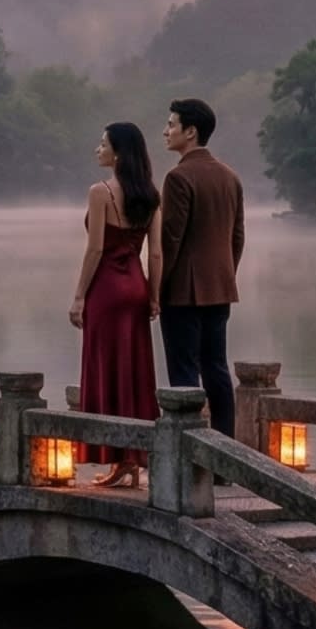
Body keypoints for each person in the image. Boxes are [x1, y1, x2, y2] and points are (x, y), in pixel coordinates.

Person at [70, 122, 161, 487]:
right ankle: (131, 461)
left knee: (106, 369)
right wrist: (154, 296)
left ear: (119, 152)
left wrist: (79, 296)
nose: (98, 149)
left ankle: (116, 455)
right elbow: (155, 252)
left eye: (103, 143)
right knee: (134, 373)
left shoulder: (101, 192)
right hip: (136, 288)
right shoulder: (151, 195)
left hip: (107, 290)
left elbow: (95, 249)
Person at [158, 98, 246, 437]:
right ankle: (224, 450)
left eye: (171, 124)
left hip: (183, 292)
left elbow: (171, 241)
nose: (165, 131)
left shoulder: (179, 177)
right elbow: (237, 237)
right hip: (220, 288)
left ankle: (189, 452)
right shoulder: (230, 177)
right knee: (217, 369)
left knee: (183, 376)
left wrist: (156, 290)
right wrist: (224, 275)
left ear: (190, 131)